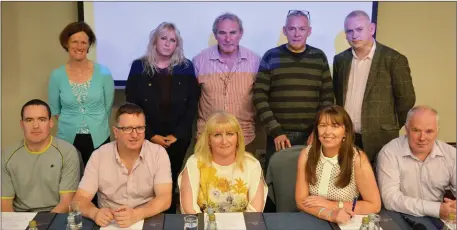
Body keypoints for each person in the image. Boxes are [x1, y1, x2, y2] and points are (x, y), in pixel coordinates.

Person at [125, 22, 199, 213]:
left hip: (177, 138)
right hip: (146, 136)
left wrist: (178, 134)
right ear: (155, 41)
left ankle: (168, 219)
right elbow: (132, 105)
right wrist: (150, 135)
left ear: (177, 44)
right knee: (146, 182)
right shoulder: (138, 66)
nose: (167, 43)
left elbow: (192, 104)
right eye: (163, 38)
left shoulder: (186, 67)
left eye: (172, 40)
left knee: (171, 180)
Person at [332, 10, 415, 165]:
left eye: (359, 29)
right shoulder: (340, 60)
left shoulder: (394, 59)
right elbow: (337, 97)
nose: (354, 35)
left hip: (381, 139)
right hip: (347, 137)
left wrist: (390, 125)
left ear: (371, 29)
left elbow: (407, 100)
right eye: (349, 31)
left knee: (378, 186)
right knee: (347, 184)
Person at [254, 10, 334, 170]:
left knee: (311, 183)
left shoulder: (319, 57)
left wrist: (318, 131)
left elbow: (327, 98)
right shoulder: (271, 56)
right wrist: (276, 131)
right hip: (278, 137)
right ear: (285, 30)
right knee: (276, 185)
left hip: (311, 136)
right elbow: (259, 96)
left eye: (302, 29)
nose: (297, 34)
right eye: (292, 29)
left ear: (309, 31)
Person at [73, 103, 172, 228]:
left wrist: (137, 214)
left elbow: (165, 198)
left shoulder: (158, 153)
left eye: (140, 128)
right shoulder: (99, 156)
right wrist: (95, 213)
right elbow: (79, 199)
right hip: (109, 222)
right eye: (127, 129)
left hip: (147, 219)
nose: (135, 135)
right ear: (116, 132)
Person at [295, 105, 381, 224]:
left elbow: (374, 205)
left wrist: (331, 205)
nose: (327, 132)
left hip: (344, 220)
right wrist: (329, 214)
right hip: (311, 218)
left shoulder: (357, 159)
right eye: (323, 125)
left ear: (345, 132)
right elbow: (301, 201)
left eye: (335, 126)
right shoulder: (306, 154)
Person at [192, 13, 261, 154]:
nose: (228, 39)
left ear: (241, 33)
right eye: (222, 33)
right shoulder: (199, 61)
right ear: (215, 34)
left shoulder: (255, 62)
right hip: (208, 139)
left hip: (244, 138)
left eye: (233, 33)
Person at [48, 21, 115, 166]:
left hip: (99, 136)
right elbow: (55, 110)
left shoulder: (103, 72)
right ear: (66, 43)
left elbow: (107, 107)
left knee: (100, 181)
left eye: (84, 42)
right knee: (70, 181)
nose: (79, 47)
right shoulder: (57, 75)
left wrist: (97, 122)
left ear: (89, 45)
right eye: (75, 42)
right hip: (67, 137)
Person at [377, 106, 456, 227]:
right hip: (397, 216)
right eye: (416, 130)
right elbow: (390, 199)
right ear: (407, 130)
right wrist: (436, 209)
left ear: (437, 131)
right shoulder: (389, 153)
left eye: (429, 131)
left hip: (438, 217)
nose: (422, 138)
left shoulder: (450, 154)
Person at [178, 112, 267, 213]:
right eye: (217, 135)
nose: (224, 141)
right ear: (208, 140)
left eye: (230, 134)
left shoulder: (252, 164)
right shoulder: (194, 163)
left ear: (238, 138)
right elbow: (189, 209)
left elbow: (255, 210)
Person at [1, 99, 80, 212]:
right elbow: (5, 204)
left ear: (50, 123)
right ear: (21, 124)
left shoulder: (67, 152)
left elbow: (66, 202)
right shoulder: (7, 155)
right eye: (29, 120)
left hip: (56, 216)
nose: (36, 126)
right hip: (20, 217)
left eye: (42, 119)